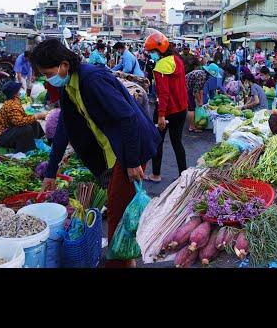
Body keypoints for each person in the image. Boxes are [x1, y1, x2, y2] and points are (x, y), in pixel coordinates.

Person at [31, 39, 161, 268]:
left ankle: (120, 262)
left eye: (48, 72)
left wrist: (131, 161)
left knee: (118, 217)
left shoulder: (91, 79)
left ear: (63, 65)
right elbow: (64, 128)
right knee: (118, 211)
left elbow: (127, 117)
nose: (47, 78)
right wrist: (51, 172)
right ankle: (126, 260)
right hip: (115, 153)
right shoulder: (70, 85)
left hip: (130, 150)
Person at [145, 32, 188, 182]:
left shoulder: (161, 66)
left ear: (159, 50)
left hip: (167, 111)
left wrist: (161, 115)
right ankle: (183, 175)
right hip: (181, 109)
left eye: (152, 52)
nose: (151, 55)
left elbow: (163, 94)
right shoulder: (177, 60)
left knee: (157, 142)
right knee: (177, 142)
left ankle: (156, 174)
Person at [0, 81, 48, 153]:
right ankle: (26, 151)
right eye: (19, 90)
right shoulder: (12, 105)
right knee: (26, 129)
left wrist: (35, 117)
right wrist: (37, 116)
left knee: (34, 123)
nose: (21, 91)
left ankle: (38, 142)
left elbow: (22, 119)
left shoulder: (14, 102)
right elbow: (19, 122)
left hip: (8, 132)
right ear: (15, 94)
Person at [185, 61, 208, 132]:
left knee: (193, 106)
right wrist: (199, 101)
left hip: (190, 87)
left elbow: (201, 89)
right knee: (191, 108)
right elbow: (195, 91)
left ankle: (193, 124)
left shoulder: (203, 75)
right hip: (186, 88)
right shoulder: (202, 76)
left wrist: (200, 101)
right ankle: (191, 127)